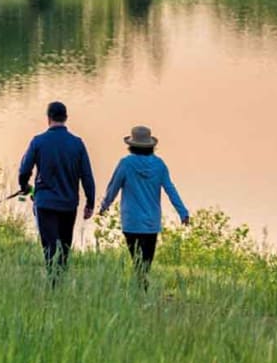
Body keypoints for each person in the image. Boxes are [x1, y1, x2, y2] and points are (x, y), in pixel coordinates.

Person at [99, 125, 189, 288]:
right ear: (151, 145)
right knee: (145, 262)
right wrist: (183, 212)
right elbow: (170, 189)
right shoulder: (159, 165)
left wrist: (104, 206)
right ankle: (142, 287)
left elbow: (113, 187)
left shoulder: (126, 164)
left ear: (131, 145)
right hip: (151, 223)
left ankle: (141, 288)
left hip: (131, 222)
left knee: (137, 260)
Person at [18, 100, 95, 277]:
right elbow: (87, 176)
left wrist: (25, 187)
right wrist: (90, 202)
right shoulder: (77, 144)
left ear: (48, 118)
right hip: (68, 204)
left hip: (44, 203)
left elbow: (24, 170)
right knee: (64, 245)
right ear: (66, 118)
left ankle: (53, 282)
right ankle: (59, 280)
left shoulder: (38, 142)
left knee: (49, 246)